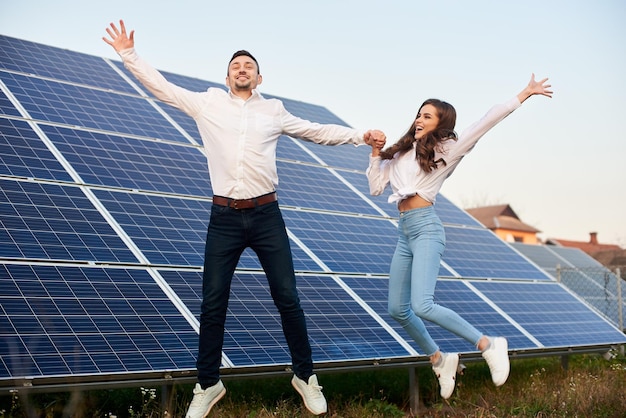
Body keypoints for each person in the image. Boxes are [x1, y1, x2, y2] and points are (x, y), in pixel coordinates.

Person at [103, 19, 386, 417]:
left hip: (267, 215)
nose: (242, 69)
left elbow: (316, 131)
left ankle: (306, 378)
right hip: (224, 218)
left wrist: (360, 135)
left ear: (258, 76)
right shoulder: (208, 103)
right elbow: (162, 88)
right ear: (227, 75)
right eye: (236, 65)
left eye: (248, 66)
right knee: (213, 302)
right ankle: (207, 384)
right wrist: (129, 54)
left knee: (288, 297)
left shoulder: (274, 111)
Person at [366, 74, 553, 399]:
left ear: (441, 123)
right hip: (404, 233)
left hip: (426, 228)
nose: (418, 119)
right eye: (418, 114)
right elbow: (375, 187)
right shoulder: (400, 153)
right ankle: (440, 359)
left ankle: (488, 344)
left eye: (427, 116)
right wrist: (374, 154)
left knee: (422, 305)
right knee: (398, 309)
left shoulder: (448, 149)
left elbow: (486, 121)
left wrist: (523, 94)